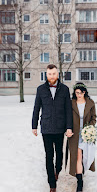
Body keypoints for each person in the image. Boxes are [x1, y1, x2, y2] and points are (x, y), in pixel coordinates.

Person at [32, 64, 73, 192]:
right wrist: (34, 126)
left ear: (57, 74)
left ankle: (58, 170)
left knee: (59, 153)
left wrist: (69, 127)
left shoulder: (65, 89)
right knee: (49, 155)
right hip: (46, 128)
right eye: (49, 74)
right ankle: (52, 184)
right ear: (47, 74)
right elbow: (36, 108)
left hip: (60, 128)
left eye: (54, 74)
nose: (52, 76)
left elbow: (68, 110)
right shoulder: (40, 89)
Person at [68, 82, 97, 192]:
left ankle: (82, 170)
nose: (78, 95)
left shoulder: (90, 103)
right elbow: (67, 117)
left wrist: (89, 128)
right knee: (77, 156)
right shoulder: (72, 103)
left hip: (86, 134)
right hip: (75, 135)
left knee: (86, 155)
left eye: (80, 93)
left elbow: (94, 117)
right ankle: (79, 181)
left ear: (84, 92)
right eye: (76, 93)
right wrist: (68, 129)